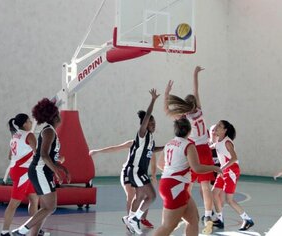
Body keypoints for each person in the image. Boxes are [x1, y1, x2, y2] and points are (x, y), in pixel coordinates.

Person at [164, 66, 215, 234]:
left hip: (193, 149)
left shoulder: (183, 118)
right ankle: (208, 215)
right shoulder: (199, 110)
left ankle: (182, 210)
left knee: (188, 183)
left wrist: (166, 94)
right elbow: (196, 90)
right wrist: (194, 73)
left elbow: (166, 111)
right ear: (194, 103)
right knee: (205, 185)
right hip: (205, 149)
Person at [12, 98, 70, 236]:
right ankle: (21, 231)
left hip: (42, 171)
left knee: (45, 208)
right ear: (55, 116)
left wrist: (62, 169)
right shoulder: (49, 131)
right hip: (40, 171)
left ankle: (31, 233)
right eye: (59, 113)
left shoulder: (51, 132)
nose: (60, 116)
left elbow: (48, 156)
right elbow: (43, 155)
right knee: (50, 207)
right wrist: (56, 171)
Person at [154, 118, 221, 236]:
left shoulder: (169, 143)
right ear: (190, 131)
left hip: (170, 184)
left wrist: (173, 171)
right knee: (168, 226)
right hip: (176, 187)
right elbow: (197, 168)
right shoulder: (188, 145)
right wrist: (214, 168)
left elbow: (160, 164)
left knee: (193, 220)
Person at [121, 88, 162, 235]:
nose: (153, 124)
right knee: (152, 196)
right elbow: (147, 116)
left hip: (139, 171)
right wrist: (153, 100)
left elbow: (151, 150)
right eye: (150, 122)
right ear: (144, 124)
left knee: (139, 197)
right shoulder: (142, 134)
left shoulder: (150, 138)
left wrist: (165, 147)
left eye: (154, 123)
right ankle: (134, 218)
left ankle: (130, 219)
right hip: (136, 170)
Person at [89, 141, 158, 229]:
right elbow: (115, 147)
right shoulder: (134, 142)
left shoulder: (150, 147)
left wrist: (154, 175)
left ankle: (142, 218)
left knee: (146, 195)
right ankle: (129, 220)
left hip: (140, 173)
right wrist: (97, 151)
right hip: (128, 172)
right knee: (131, 195)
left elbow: (153, 162)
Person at [1, 114, 43, 236]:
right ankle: (4, 232)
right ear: (25, 123)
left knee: (34, 199)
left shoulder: (15, 136)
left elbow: (10, 155)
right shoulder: (29, 135)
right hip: (23, 172)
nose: (31, 123)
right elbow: (38, 153)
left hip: (18, 170)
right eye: (29, 121)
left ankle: (35, 229)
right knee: (14, 203)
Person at [211, 120, 254, 231]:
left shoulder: (227, 142)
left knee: (229, 200)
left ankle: (247, 219)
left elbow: (234, 158)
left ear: (225, 130)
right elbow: (210, 147)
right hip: (224, 171)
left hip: (231, 171)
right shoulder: (218, 141)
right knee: (214, 193)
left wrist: (222, 168)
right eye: (217, 124)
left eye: (219, 125)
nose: (216, 126)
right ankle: (220, 220)